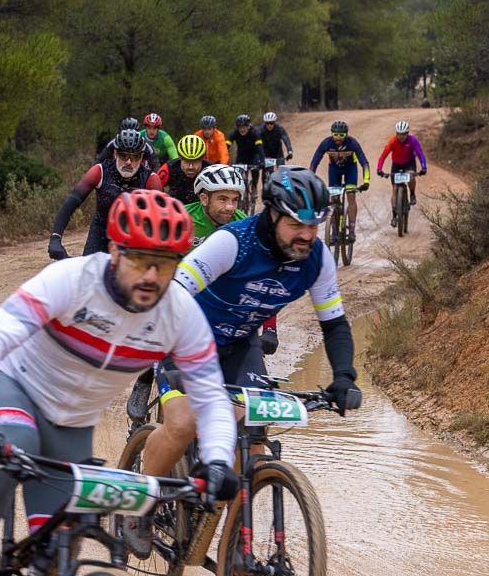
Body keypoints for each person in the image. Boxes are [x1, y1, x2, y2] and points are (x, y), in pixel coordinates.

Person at [0, 190, 239, 576]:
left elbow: (211, 396)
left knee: (58, 554)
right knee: (13, 448)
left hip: (74, 422)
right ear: (114, 251)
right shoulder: (72, 279)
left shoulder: (179, 314)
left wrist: (215, 460)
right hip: (18, 385)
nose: (152, 277)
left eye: (166, 262)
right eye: (139, 259)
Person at [138, 165, 362, 482]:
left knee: (253, 439)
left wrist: (343, 376)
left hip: (241, 345)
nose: (307, 235)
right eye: (297, 224)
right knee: (184, 423)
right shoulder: (232, 242)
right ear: (271, 215)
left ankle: (231, 526)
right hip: (185, 339)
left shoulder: (318, 257)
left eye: (314, 225)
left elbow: (335, 324)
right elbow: (173, 293)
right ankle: (140, 505)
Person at [49, 129, 163, 259]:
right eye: (124, 156)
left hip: (135, 234)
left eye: (135, 157)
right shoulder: (100, 171)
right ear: (115, 154)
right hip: (102, 229)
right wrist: (55, 238)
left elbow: (160, 219)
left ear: (142, 158)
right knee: (90, 272)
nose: (129, 162)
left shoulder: (150, 179)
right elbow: (72, 201)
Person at [308, 120, 370, 241]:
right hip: (334, 171)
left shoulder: (352, 143)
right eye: (335, 134)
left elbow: (364, 163)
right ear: (331, 134)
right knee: (333, 199)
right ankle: (334, 231)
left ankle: (351, 229)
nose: (338, 138)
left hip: (350, 170)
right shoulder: (326, 143)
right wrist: (310, 179)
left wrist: (366, 181)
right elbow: (314, 162)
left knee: (351, 195)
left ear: (346, 135)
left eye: (341, 135)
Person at [186, 164, 249, 245]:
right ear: (204, 199)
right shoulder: (183, 218)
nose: (230, 207)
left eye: (235, 200)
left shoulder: (243, 224)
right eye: (223, 199)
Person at [376, 119, 428, 217]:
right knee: (395, 189)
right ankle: (394, 215)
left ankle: (412, 193)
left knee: (411, 176)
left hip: (409, 162)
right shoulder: (392, 141)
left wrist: (424, 167)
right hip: (396, 164)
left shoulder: (413, 140)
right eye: (399, 134)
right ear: (396, 133)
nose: (401, 136)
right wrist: (379, 169)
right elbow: (383, 156)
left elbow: (420, 154)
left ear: (407, 133)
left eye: (404, 134)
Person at [156, 133, 211, 206]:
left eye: (195, 161)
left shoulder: (211, 170)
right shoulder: (169, 168)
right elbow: (153, 190)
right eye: (186, 161)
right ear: (180, 158)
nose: (191, 167)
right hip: (175, 210)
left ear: (202, 159)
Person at [226, 114, 265, 210]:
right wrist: (223, 160)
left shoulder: (255, 133)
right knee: (238, 176)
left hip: (253, 156)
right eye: (240, 127)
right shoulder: (235, 133)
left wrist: (262, 161)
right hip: (241, 157)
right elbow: (226, 146)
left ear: (248, 126)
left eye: (244, 127)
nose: (242, 130)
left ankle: (254, 187)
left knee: (255, 169)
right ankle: (240, 194)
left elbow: (260, 148)